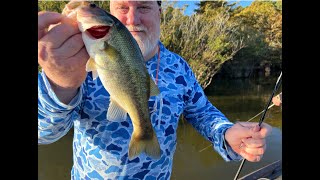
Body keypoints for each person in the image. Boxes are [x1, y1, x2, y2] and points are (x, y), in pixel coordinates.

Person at [38, 1, 273, 179]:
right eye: (122, 7)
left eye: (143, 7)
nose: (132, 19)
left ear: (160, 13)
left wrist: (225, 133)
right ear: (109, 13)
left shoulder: (179, 67)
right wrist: (60, 83)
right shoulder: (77, 61)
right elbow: (44, 134)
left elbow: (202, 113)